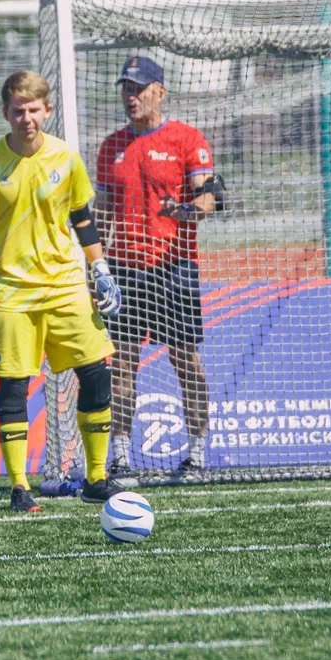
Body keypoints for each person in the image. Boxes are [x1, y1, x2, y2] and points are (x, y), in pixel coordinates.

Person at [0, 71, 125, 510]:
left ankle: (97, 477)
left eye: (33, 109)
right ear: (5, 113)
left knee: (97, 373)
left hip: (67, 287)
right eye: (17, 110)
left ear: (47, 110)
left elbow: (82, 217)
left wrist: (99, 268)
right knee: (13, 385)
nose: (25, 118)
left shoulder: (67, 158)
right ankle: (19, 487)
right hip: (10, 293)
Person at [95, 57, 225, 479]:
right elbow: (102, 213)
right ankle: (120, 455)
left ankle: (198, 454)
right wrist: (91, 264)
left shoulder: (186, 139)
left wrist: (184, 209)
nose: (130, 97)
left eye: (138, 88)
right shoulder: (111, 146)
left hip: (175, 266)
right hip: (124, 269)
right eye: (125, 88)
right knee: (123, 362)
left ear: (160, 91)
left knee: (186, 360)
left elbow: (209, 200)